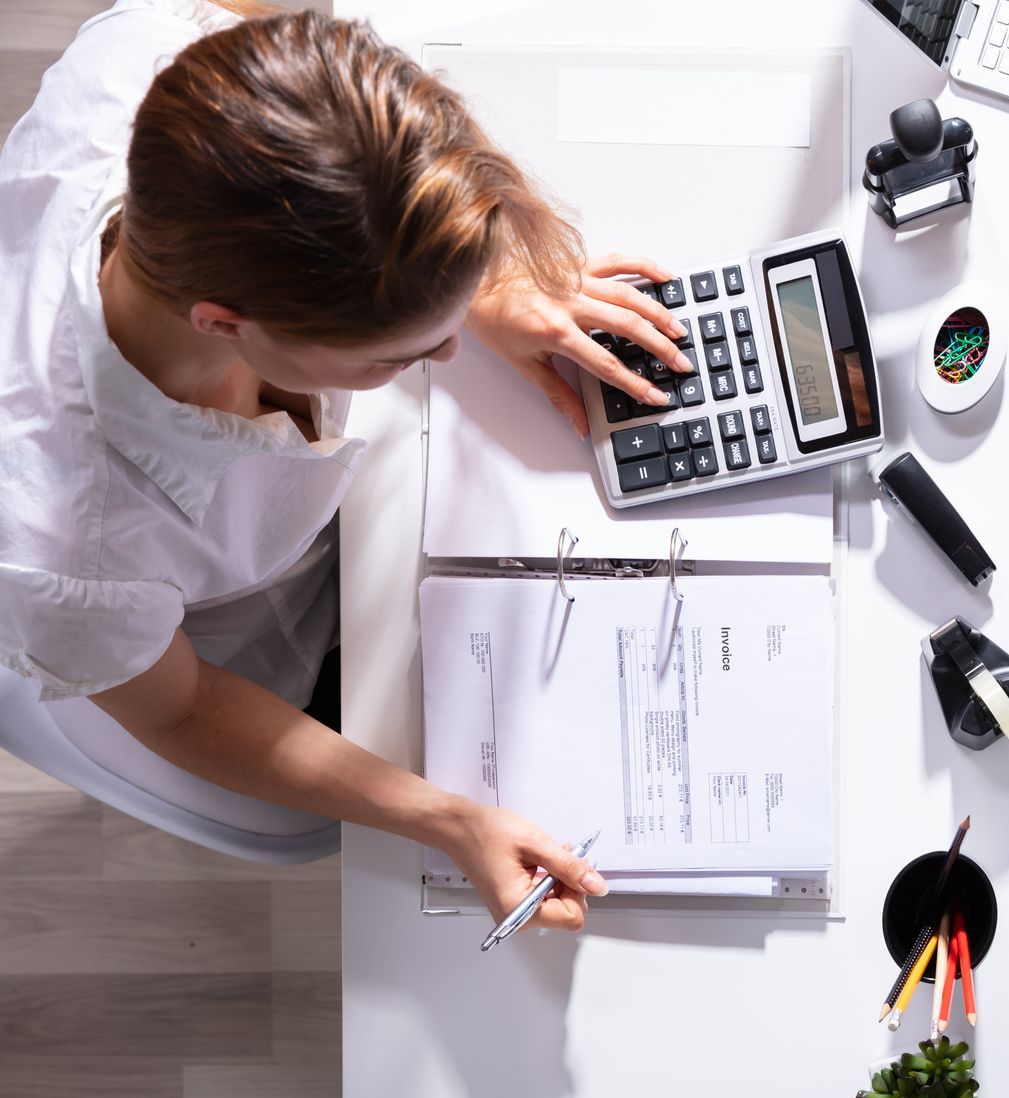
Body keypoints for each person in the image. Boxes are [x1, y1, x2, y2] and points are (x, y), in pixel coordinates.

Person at [0, 0, 691, 927]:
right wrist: (447, 820)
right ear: (227, 324)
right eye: (399, 354)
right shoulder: (71, 549)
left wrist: (477, 284)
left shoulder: (166, 57)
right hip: (188, 639)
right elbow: (184, 710)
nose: (443, 360)